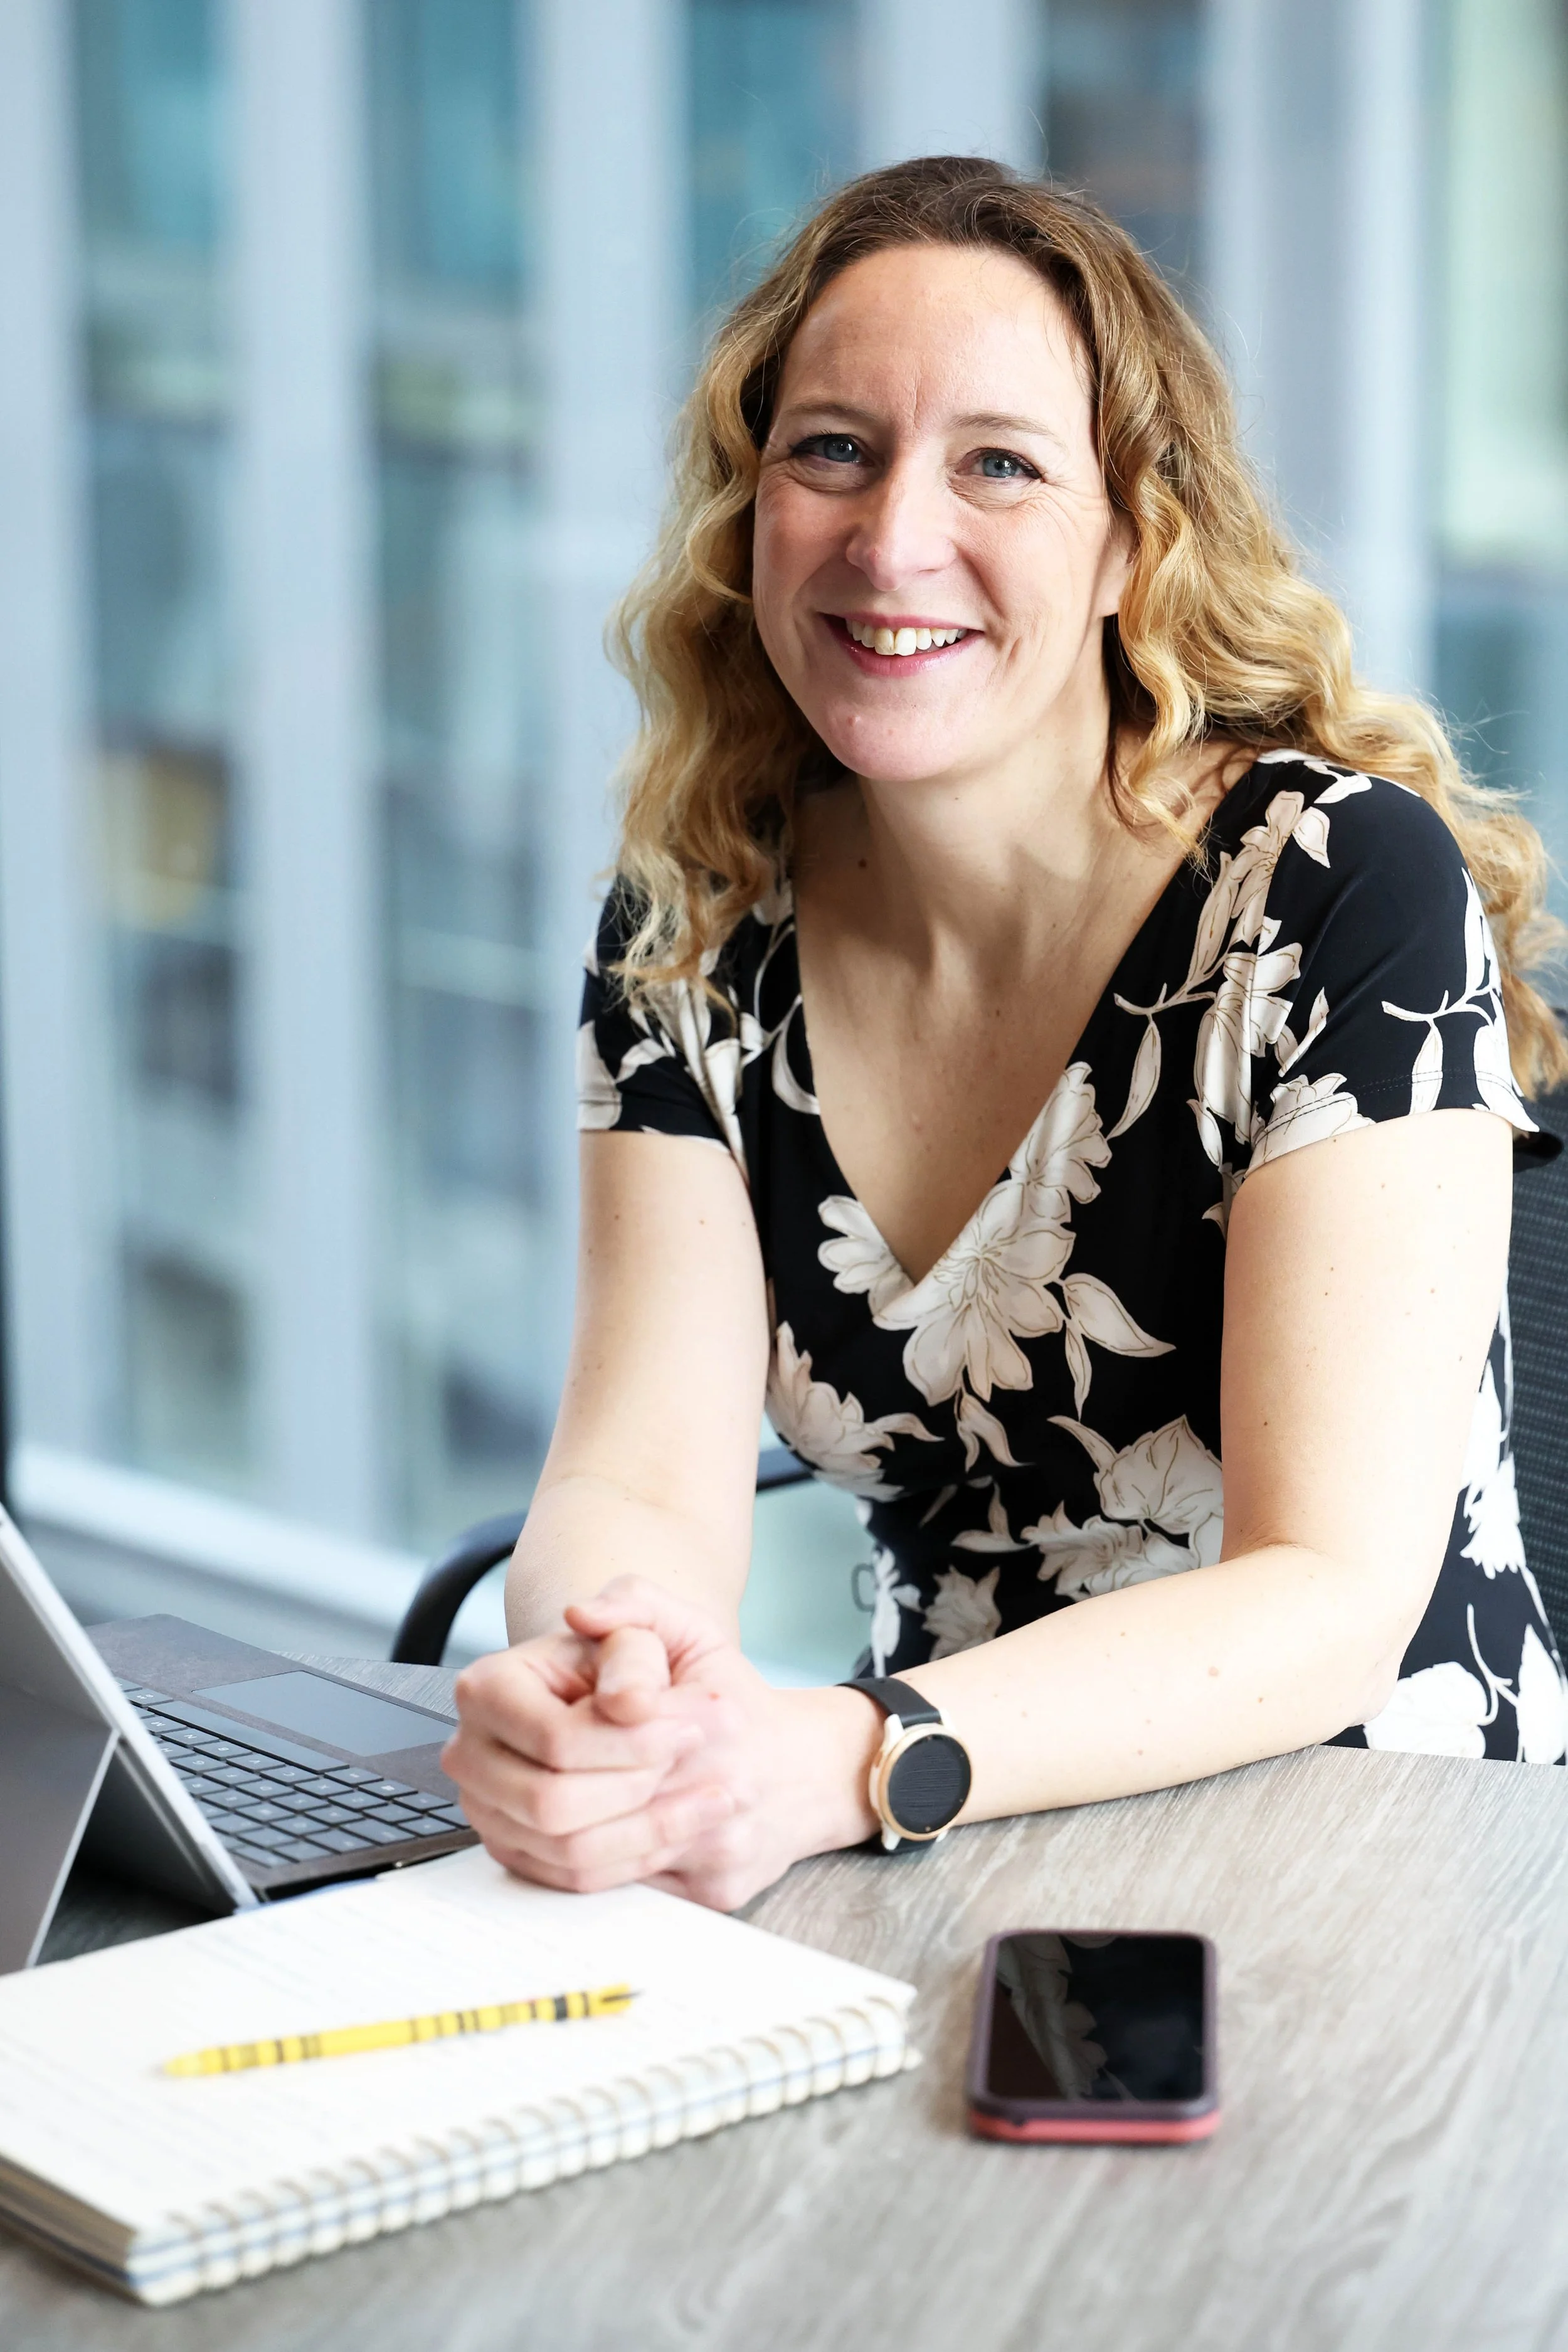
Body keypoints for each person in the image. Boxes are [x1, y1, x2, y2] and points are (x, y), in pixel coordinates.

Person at [443, 156, 1568, 1911]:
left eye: (997, 464)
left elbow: (1331, 1589)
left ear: (1133, 539)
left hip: (1378, 1859)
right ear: (747, 509)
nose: (892, 539)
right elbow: (630, 1472)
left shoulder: (1335, 886)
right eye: (829, 448)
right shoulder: (695, 922)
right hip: (924, 1850)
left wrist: (842, 1752)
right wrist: (619, 1675)